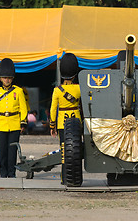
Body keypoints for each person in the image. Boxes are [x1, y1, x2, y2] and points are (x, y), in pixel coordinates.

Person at [0, 58, 28, 178]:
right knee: (2, 151)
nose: (7, 80)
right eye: (5, 78)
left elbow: (23, 108)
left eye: (9, 77)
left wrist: (23, 122)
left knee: (12, 151)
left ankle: (12, 173)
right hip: (0, 124)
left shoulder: (19, 91)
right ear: (0, 78)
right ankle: (3, 173)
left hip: (14, 124)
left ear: (12, 78)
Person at [49, 53, 81, 184]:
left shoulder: (57, 90)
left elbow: (52, 110)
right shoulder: (79, 88)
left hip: (63, 123)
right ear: (74, 74)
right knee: (76, 151)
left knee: (64, 152)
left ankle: (65, 178)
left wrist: (52, 125)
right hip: (76, 121)